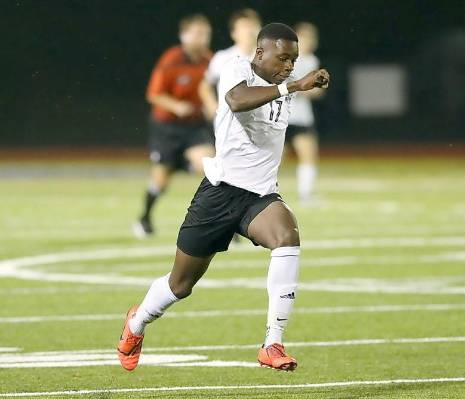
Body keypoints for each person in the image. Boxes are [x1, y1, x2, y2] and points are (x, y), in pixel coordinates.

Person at [117, 23, 330, 372]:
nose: (289, 66)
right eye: (283, 58)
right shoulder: (236, 68)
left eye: (293, 60)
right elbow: (237, 101)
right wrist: (291, 86)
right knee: (180, 285)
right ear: (260, 53)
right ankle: (137, 322)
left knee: (287, 237)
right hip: (219, 193)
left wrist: (308, 82)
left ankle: (272, 342)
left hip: (259, 195)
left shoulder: (283, 82)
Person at [133, 14, 215, 238]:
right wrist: (176, 105)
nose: (203, 38)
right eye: (197, 33)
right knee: (161, 179)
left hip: (194, 127)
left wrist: (212, 106)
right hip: (166, 127)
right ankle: (145, 217)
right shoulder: (172, 59)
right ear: (184, 35)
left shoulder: (211, 61)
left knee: (212, 169)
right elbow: (154, 94)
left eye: (206, 33)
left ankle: (226, 224)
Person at [199, 9, 262, 121]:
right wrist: (212, 105)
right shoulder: (222, 57)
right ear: (234, 33)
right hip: (230, 123)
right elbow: (205, 85)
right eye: (244, 27)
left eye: (253, 26)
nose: (249, 31)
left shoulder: (270, 60)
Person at [287, 22, 325, 203]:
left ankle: (306, 194)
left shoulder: (312, 60)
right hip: (283, 117)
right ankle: (260, 194)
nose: (309, 41)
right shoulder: (286, 59)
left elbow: (317, 89)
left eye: (312, 38)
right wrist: (303, 88)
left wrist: (312, 89)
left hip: (302, 117)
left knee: (309, 154)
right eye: (305, 37)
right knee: (273, 159)